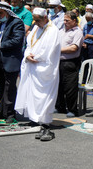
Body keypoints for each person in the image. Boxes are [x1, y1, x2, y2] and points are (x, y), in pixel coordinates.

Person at [15, 8, 61, 142]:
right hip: (32, 67)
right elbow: (28, 44)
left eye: (39, 20)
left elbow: (49, 51)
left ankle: (45, 124)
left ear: (46, 17)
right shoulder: (36, 28)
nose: (36, 22)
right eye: (35, 19)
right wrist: (27, 55)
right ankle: (35, 120)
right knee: (33, 96)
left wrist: (35, 57)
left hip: (45, 69)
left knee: (44, 97)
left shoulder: (53, 30)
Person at [0, 1, 25, 123]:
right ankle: (1, 111)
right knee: (0, 86)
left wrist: (2, 45)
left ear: (7, 12)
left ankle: (10, 114)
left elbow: (17, 40)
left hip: (11, 59)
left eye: (1, 13)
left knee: (9, 88)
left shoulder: (17, 23)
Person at [55, 11, 83, 118]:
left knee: (70, 86)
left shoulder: (77, 32)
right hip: (59, 61)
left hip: (71, 62)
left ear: (74, 21)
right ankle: (60, 107)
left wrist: (59, 50)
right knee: (59, 85)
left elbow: (74, 48)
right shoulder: (61, 31)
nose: (65, 22)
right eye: (64, 20)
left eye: (68, 20)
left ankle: (72, 109)